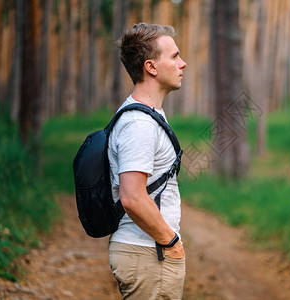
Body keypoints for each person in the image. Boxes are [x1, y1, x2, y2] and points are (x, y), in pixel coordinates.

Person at [107, 23, 187, 299]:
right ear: (151, 67)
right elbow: (132, 196)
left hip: (148, 252)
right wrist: (171, 242)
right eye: (175, 57)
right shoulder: (139, 124)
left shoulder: (147, 116)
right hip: (148, 253)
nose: (183, 63)